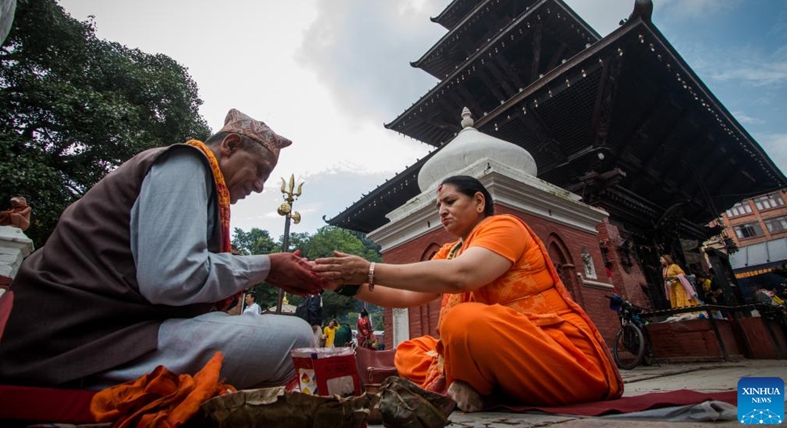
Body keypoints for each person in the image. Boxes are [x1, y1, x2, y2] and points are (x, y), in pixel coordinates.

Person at [0, 109, 324, 389]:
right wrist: (265, 266)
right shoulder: (185, 163)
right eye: (260, 171)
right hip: (80, 341)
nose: (259, 186)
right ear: (230, 145)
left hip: (107, 333)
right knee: (295, 340)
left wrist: (259, 271)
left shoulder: (200, 185)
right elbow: (170, 279)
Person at [313, 175, 622, 412]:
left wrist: (369, 269)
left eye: (450, 202)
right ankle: (480, 383)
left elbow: (464, 276)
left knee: (463, 320)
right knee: (411, 349)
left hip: (551, 349)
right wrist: (345, 284)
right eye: (438, 206)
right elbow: (406, 296)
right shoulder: (449, 251)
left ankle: (472, 382)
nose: (442, 211)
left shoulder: (504, 226)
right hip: (494, 350)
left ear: (478, 202)